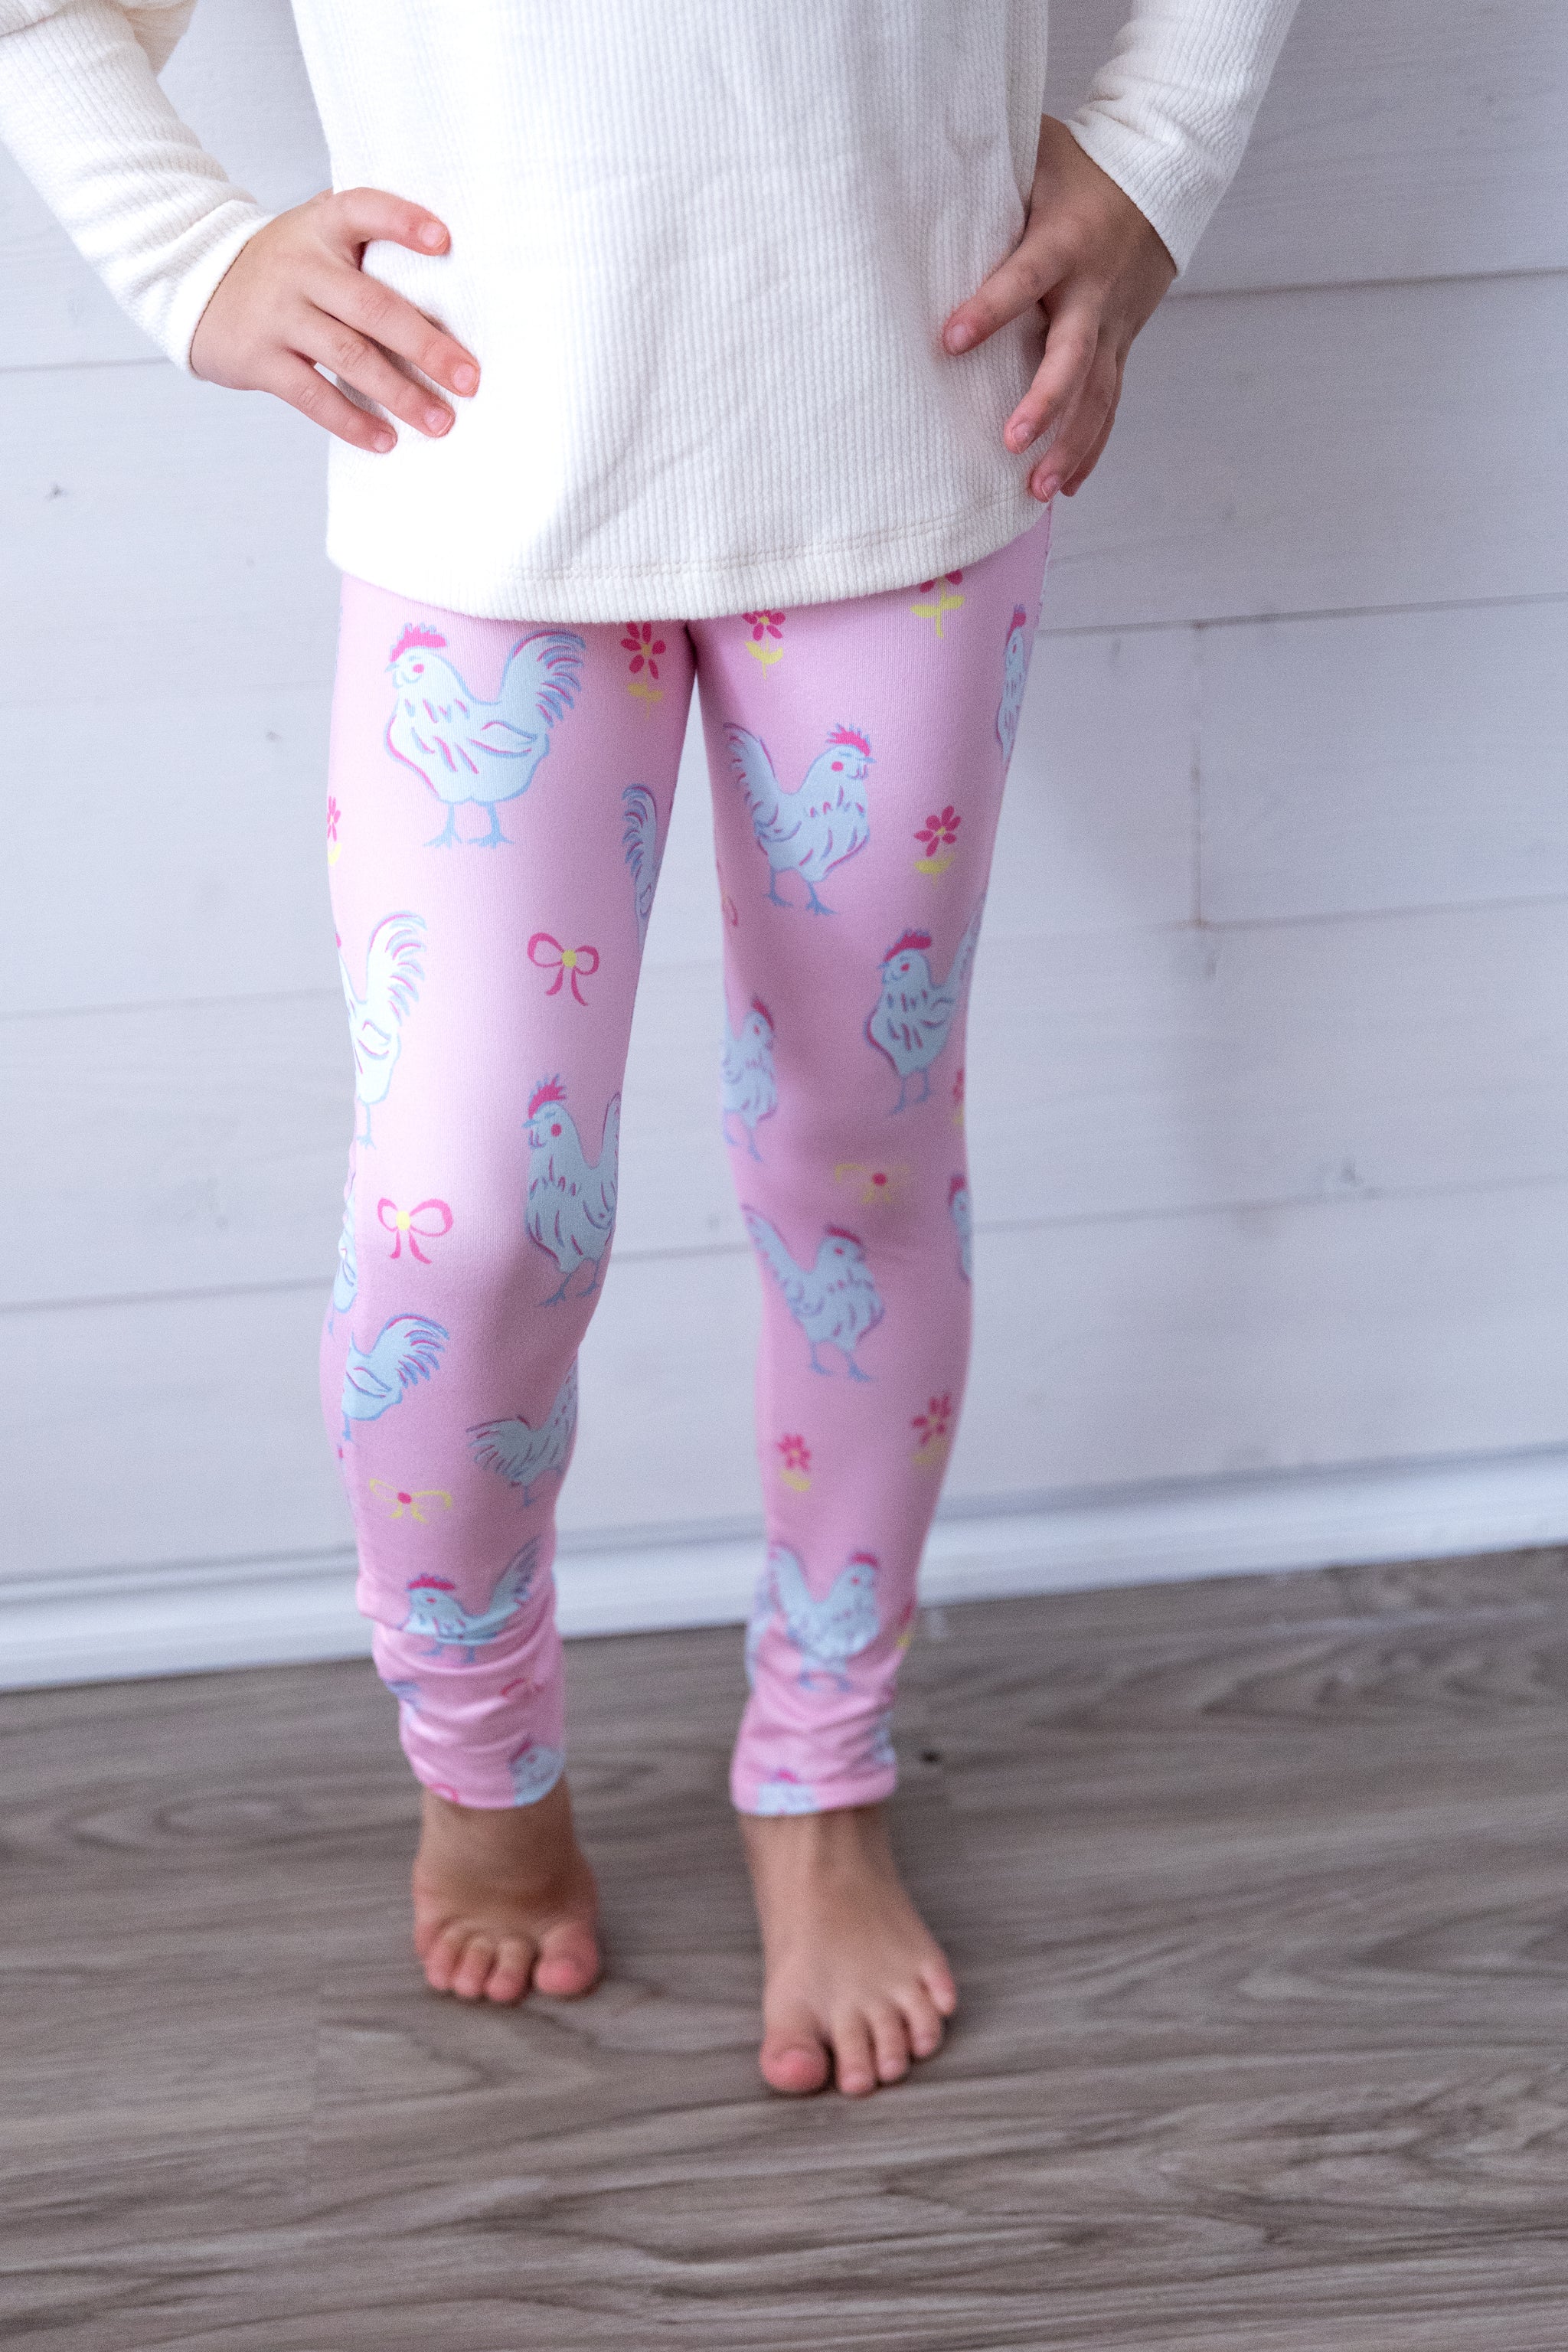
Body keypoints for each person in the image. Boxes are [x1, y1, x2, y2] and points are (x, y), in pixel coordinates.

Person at [1, 0, 1298, 2098]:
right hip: (480, 485)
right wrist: (186, 252)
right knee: (464, 1226)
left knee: (857, 1149)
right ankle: (480, 1754)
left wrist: (1159, 152)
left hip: (907, 445)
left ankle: (823, 1760)